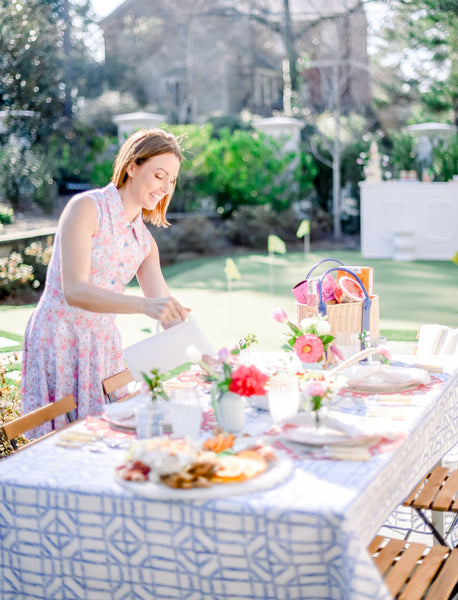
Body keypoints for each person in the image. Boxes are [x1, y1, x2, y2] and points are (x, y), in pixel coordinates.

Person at [21, 129, 189, 435]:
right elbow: (74, 290)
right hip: (58, 340)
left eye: (172, 180)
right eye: (159, 175)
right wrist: (145, 306)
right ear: (132, 166)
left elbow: (168, 315)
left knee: (106, 440)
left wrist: (215, 361)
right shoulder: (87, 208)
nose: (165, 187)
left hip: (102, 349)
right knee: (56, 444)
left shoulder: (145, 242)